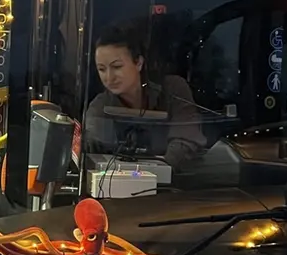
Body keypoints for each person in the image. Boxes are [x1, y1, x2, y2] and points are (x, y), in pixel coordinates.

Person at [82, 23, 206, 170]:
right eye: (102, 69)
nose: (109, 77)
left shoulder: (173, 90)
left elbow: (187, 140)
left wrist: (157, 172)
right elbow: (90, 144)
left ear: (139, 63)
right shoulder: (100, 106)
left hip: (178, 186)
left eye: (117, 67)